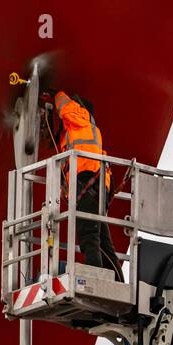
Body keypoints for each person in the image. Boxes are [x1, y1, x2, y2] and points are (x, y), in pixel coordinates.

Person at [48, 90, 120, 278]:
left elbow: (66, 109)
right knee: (103, 243)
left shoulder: (81, 120)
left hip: (87, 185)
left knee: (89, 237)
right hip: (96, 188)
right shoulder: (84, 130)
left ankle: (94, 282)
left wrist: (57, 93)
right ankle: (117, 283)